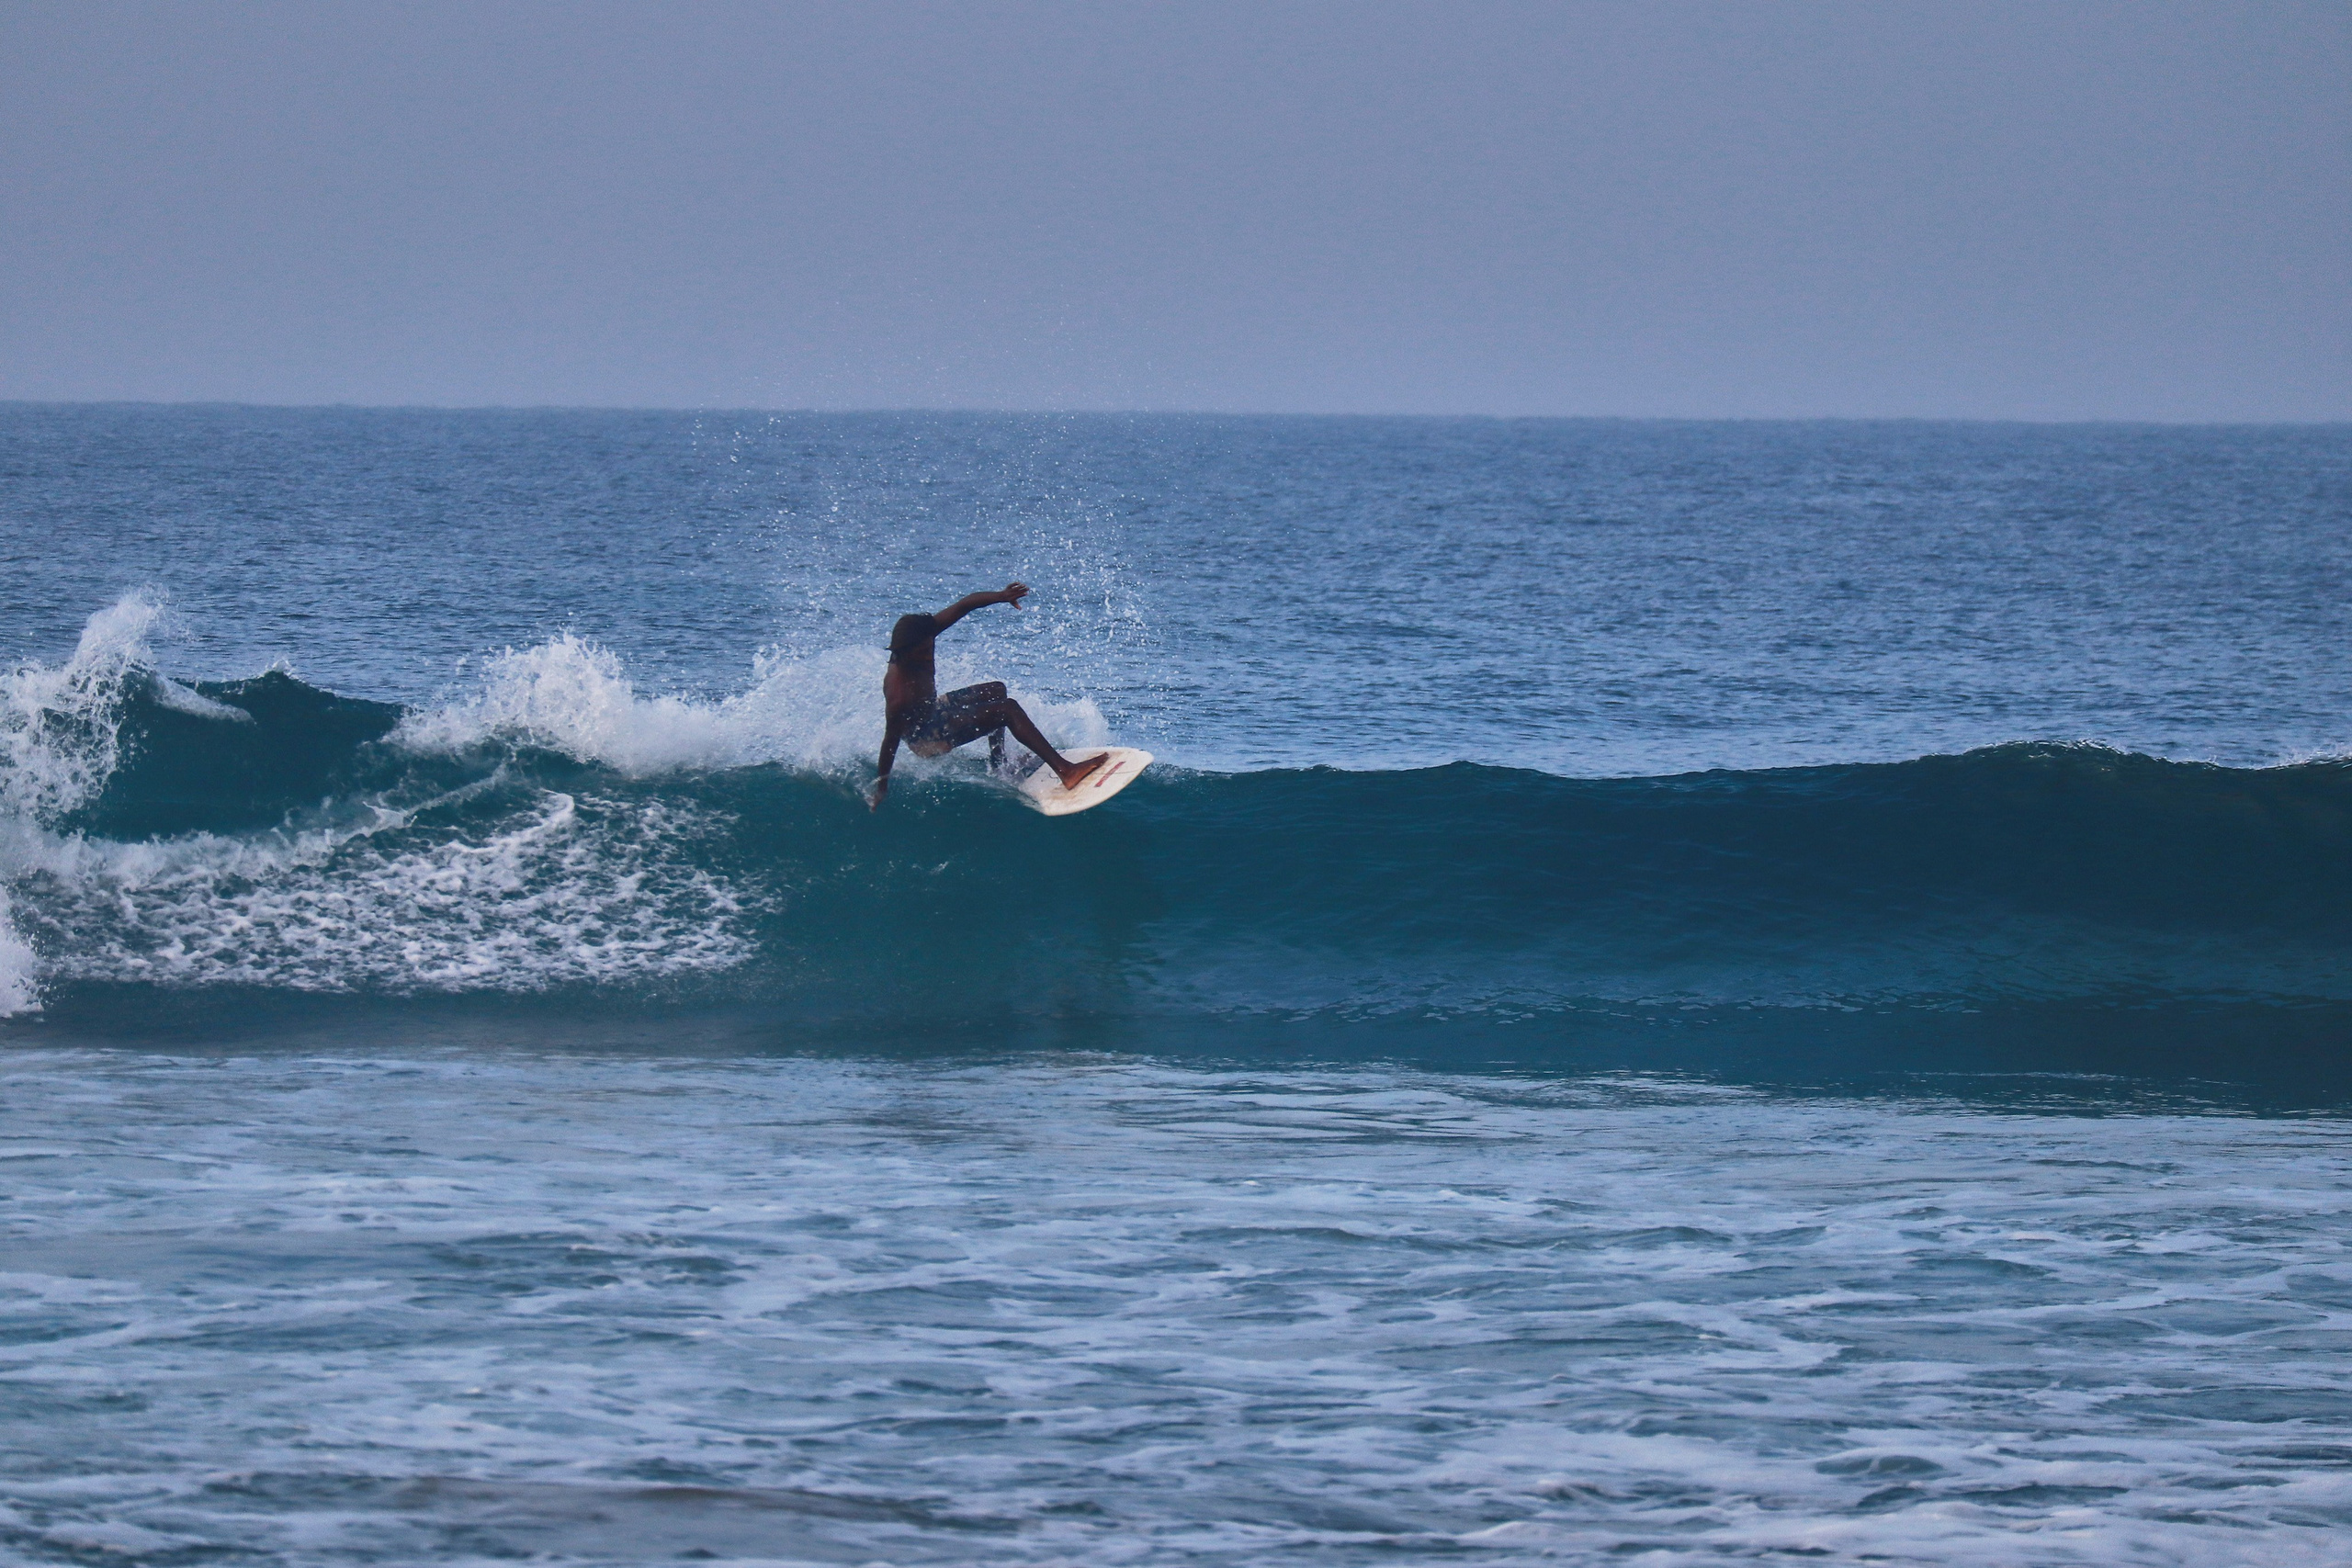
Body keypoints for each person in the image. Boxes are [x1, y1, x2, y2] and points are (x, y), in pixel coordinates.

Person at [867, 582, 1108, 810]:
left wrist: (1001, 596)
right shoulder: (899, 693)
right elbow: (890, 741)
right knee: (1007, 709)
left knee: (996, 690)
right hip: (926, 738)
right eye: (922, 652)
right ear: (906, 652)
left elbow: (964, 605)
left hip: (934, 710)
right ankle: (1066, 771)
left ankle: (998, 763)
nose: (928, 654)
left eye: (930, 647)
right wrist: (881, 787)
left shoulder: (922, 636)